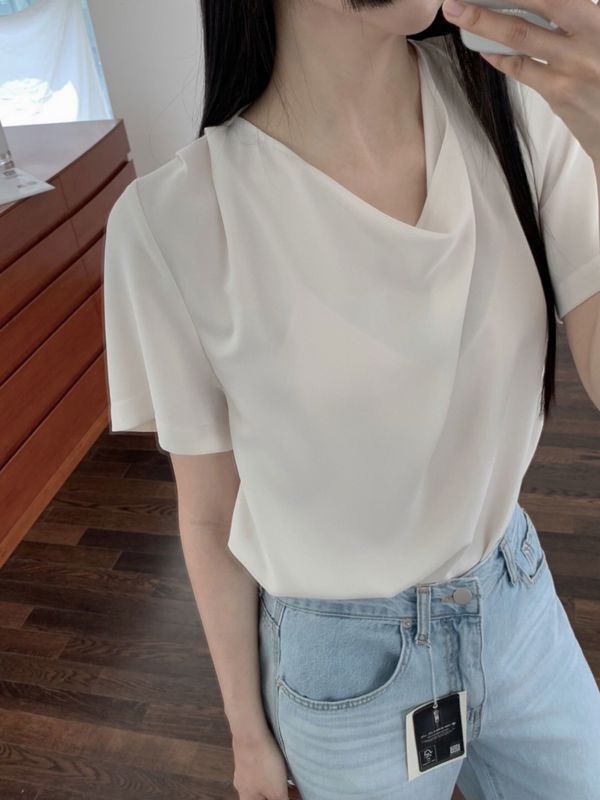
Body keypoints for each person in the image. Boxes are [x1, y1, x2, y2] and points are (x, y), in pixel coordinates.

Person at [102, 1, 600, 798]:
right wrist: (246, 735)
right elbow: (209, 512)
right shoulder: (174, 222)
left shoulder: (518, 108)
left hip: (515, 597)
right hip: (343, 670)